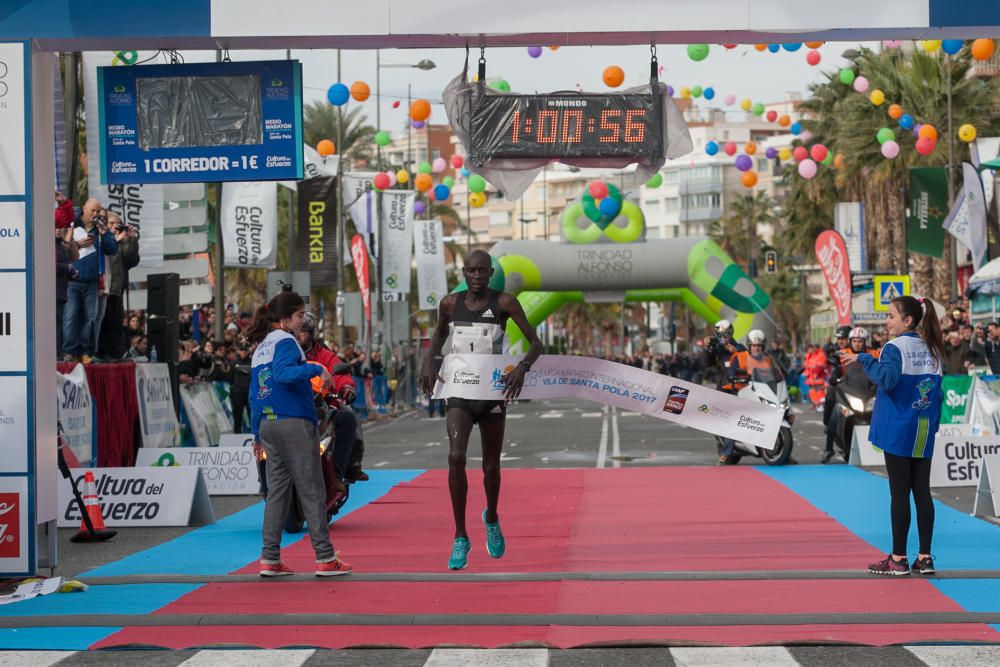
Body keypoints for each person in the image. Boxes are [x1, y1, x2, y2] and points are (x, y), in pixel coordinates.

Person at [418, 249, 543, 571]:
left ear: (490, 273)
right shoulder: (449, 303)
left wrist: (521, 368)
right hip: (459, 390)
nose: (476, 276)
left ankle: (491, 515)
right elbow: (440, 331)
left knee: (490, 466)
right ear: (463, 272)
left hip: (492, 393)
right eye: (471, 271)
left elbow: (536, 343)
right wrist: (428, 360)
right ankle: (460, 536)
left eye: (482, 271)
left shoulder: (504, 302)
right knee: (456, 457)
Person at [247, 290, 351, 577]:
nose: (303, 320)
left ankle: (270, 558)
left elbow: (254, 396)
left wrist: (256, 435)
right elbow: (283, 374)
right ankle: (325, 557)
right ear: (284, 319)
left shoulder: (261, 348)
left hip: (269, 425)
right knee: (312, 489)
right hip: (293, 422)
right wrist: (315, 368)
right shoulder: (287, 342)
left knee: (277, 494)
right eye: (299, 315)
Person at [841, 296, 944, 576]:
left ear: (908, 320)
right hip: (923, 428)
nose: (886, 322)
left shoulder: (894, 348)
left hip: (898, 428)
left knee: (899, 493)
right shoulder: (932, 348)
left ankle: (898, 559)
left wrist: (864, 358)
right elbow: (940, 394)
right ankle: (924, 557)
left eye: (890, 316)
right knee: (922, 493)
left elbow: (886, 380)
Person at [296, 313, 367, 485]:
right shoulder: (284, 353)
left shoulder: (324, 355)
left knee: (349, 417)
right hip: (293, 406)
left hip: (323, 405)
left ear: (312, 333)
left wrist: (347, 387)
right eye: (295, 331)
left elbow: (341, 374)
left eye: (303, 331)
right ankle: (268, 479)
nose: (298, 335)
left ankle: (342, 471)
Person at [64, 200, 118, 362]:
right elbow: (62, 247)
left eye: (98, 211)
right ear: (85, 209)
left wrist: (105, 233)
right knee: (70, 317)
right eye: (93, 210)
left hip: (92, 281)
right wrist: (77, 245)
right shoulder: (73, 224)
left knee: (89, 319)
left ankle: (84, 352)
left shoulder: (100, 229)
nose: (95, 214)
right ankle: (68, 351)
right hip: (73, 280)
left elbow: (112, 249)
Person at [823, 327, 878, 463]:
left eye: (860, 341)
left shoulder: (873, 354)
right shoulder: (842, 354)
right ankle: (828, 448)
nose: (857, 344)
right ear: (850, 341)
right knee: (835, 411)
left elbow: (881, 367)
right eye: (854, 341)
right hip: (848, 392)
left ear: (865, 342)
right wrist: (835, 378)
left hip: (868, 392)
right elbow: (835, 368)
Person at [702, 319, 747, 464]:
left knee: (738, 419)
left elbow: (748, 360)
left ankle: (728, 452)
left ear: (731, 333)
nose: (723, 338)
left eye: (725, 335)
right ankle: (724, 451)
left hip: (740, 387)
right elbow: (705, 363)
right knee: (720, 420)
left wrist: (737, 351)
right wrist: (707, 348)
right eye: (720, 335)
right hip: (723, 386)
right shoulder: (717, 348)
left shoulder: (739, 346)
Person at [97, 212, 139, 360]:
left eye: (117, 224)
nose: (114, 226)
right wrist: (112, 238)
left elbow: (132, 259)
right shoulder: (102, 238)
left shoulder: (123, 243)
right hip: (102, 288)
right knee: (103, 322)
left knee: (115, 323)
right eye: (111, 223)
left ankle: (115, 353)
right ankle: (101, 351)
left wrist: (132, 240)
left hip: (117, 289)